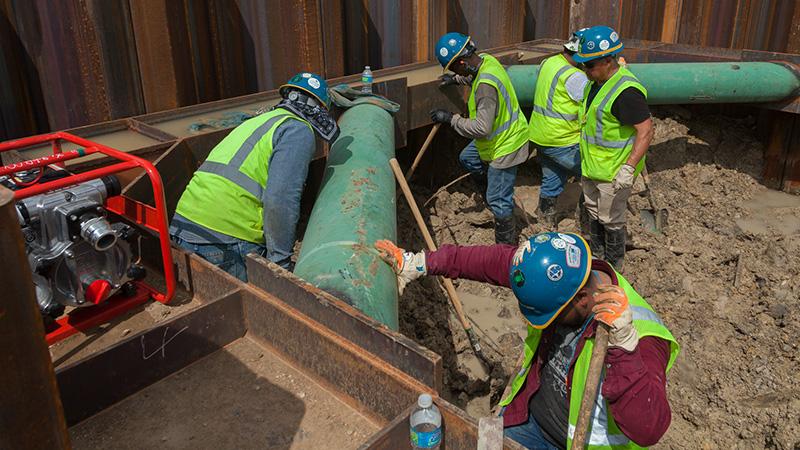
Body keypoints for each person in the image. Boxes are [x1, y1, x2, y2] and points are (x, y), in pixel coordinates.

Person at [374, 232, 678, 449]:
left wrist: (624, 349)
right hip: (527, 416)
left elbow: (649, 429)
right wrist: (420, 262)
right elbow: (490, 261)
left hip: (579, 442)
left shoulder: (641, 336)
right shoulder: (557, 272)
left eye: (552, 316)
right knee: (485, 443)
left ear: (582, 299)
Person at [170, 72, 339, 281]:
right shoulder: (297, 130)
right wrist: (280, 264)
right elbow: (280, 200)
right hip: (224, 241)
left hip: (181, 230)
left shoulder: (259, 121)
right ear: (321, 110)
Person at [430, 32, 530, 245]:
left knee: (499, 200)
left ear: (463, 61)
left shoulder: (485, 86)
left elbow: (481, 127)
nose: (455, 71)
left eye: (454, 68)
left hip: (506, 144)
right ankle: (493, 200)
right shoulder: (487, 61)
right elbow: (473, 75)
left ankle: (505, 249)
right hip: (500, 136)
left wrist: (451, 119)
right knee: (469, 158)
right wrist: (457, 79)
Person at [573, 26, 653, 271]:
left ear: (608, 61)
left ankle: (615, 266)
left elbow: (646, 130)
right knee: (595, 213)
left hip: (613, 172)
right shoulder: (596, 81)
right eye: (583, 65)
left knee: (612, 220)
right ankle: (598, 257)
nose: (584, 70)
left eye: (589, 65)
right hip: (593, 167)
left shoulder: (626, 93)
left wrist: (628, 168)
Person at [528, 29, 589, 228]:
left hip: (541, 135)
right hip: (563, 139)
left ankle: (546, 224)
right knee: (593, 177)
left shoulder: (549, 62)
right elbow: (595, 102)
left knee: (552, 180)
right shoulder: (575, 76)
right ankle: (585, 224)